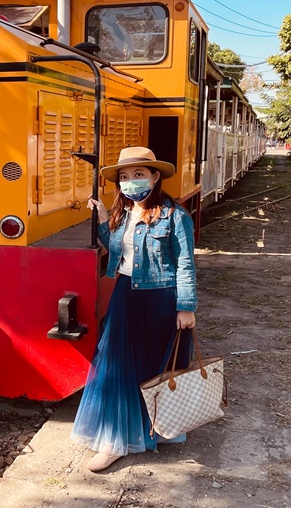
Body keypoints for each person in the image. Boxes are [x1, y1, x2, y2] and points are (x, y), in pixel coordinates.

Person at [71, 146, 198, 472]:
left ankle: (150, 430)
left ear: (155, 177)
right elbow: (116, 250)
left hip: (161, 298)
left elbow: (185, 264)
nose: (130, 182)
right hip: (127, 296)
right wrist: (102, 219)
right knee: (118, 366)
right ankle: (115, 441)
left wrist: (186, 307)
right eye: (124, 178)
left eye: (138, 175)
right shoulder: (123, 214)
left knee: (155, 369)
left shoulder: (175, 215)